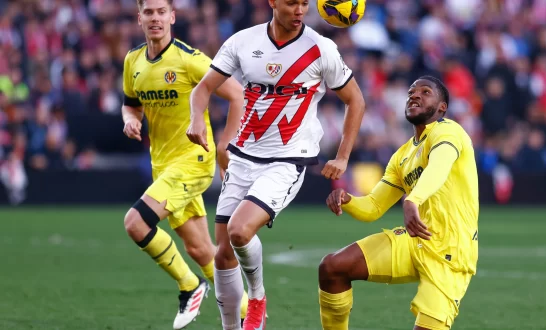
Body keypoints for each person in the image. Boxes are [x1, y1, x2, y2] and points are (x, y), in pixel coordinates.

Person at [186, 0, 366, 329]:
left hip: (287, 160)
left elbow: (355, 100)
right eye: (291, 2)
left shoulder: (321, 49)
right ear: (272, 2)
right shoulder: (242, 42)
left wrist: (342, 156)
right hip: (243, 157)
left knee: (240, 231)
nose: (299, 10)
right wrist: (197, 119)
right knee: (223, 254)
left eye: (303, 3)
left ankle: (257, 297)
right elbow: (202, 90)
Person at [121, 0, 248, 328]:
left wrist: (224, 146)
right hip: (163, 166)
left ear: (172, 17)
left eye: (162, 12)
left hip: (194, 161)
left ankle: (190, 286)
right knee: (201, 250)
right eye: (148, 12)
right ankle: (251, 316)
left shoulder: (190, 60)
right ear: (139, 18)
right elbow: (130, 105)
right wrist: (130, 120)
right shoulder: (133, 61)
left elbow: (237, 95)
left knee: (136, 223)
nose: (155, 18)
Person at [318, 76, 479, 330]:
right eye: (411, 92)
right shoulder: (402, 155)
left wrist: (412, 200)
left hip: (450, 251)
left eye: (425, 92)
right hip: (415, 240)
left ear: (442, 107)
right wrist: (347, 200)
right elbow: (374, 207)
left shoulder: (449, 131)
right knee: (332, 267)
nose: (415, 95)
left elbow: (439, 166)